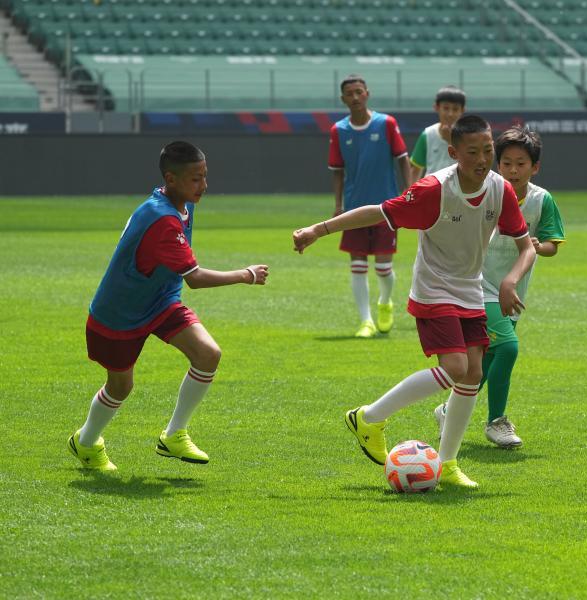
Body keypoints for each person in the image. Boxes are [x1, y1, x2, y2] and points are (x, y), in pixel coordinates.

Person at [294, 115, 536, 488]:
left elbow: (526, 249)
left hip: (471, 289)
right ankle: (369, 416)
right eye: (473, 152)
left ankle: (449, 463)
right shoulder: (433, 189)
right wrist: (319, 229)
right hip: (434, 288)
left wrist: (510, 280)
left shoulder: (500, 189)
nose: (483, 159)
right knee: (457, 367)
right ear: (454, 153)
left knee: (472, 374)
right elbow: (378, 212)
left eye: (488, 150)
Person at [67, 141, 269, 472]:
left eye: (205, 176)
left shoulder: (179, 203)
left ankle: (174, 435)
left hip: (161, 300)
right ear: (171, 179)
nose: (203, 185)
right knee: (121, 386)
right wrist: (245, 274)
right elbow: (196, 278)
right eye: (195, 179)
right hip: (120, 313)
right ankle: (86, 442)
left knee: (208, 354)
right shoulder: (162, 219)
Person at [433, 126, 565, 448]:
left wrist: (538, 246)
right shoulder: (485, 191)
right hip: (476, 286)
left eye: (521, 164)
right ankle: (496, 422)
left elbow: (551, 244)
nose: (513, 170)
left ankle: (449, 409)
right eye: (506, 163)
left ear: (535, 167)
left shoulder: (541, 200)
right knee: (507, 347)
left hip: (513, 290)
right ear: (497, 164)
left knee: (487, 360)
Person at [328, 74, 412, 338]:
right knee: (358, 265)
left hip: (386, 207)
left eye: (358, 92)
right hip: (354, 208)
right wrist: (338, 204)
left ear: (367, 93)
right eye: (349, 94)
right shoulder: (338, 130)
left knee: (384, 267)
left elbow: (403, 159)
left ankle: (385, 302)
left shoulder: (386, 123)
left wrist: (408, 194)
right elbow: (338, 171)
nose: (354, 97)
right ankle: (366, 321)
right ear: (343, 99)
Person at [409, 85, 466, 179]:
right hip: (431, 191)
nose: (450, 114)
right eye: (446, 108)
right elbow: (415, 170)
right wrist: (408, 193)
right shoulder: (427, 134)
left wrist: (450, 141)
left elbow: (471, 164)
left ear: (462, 110)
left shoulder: (469, 135)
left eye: (455, 109)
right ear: (436, 107)